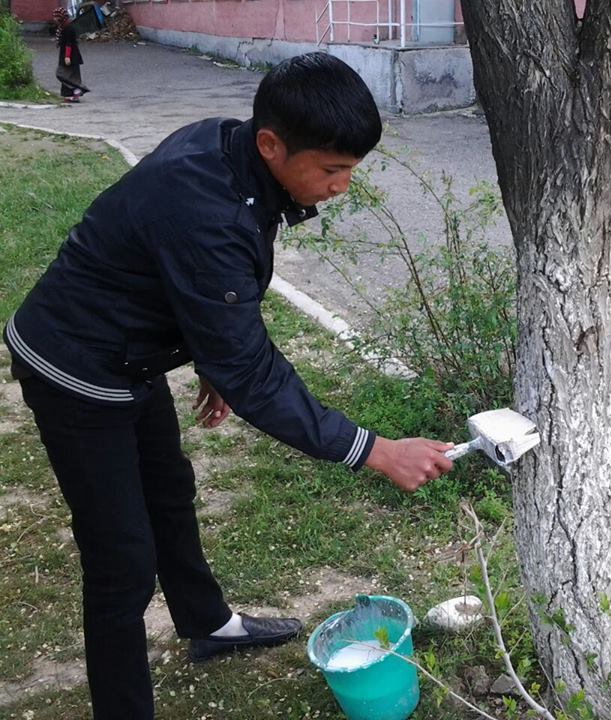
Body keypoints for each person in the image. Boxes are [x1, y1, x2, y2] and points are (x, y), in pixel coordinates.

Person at [3, 53, 453, 719]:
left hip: (127, 356)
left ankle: (207, 623)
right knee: (122, 562)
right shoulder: (208, 208)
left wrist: (211, 358)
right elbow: (252, 371)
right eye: (332, 169)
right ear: (272, 144)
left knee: (170, 491)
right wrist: (375, 450)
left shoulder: (231, 151)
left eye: (350, 169)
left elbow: (202, 288)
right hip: (76, 369)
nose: (341, 187)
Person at [53, 7, 90, 103]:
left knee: (62, 74)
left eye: (56, 17)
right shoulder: (62, 27)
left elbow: (69, 43)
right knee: (70, 76)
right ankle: (70, 95)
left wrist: (67, 56)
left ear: (61, 17)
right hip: (68, 56)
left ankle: (77, 90)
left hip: (71, 56)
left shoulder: (68, 28)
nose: (54, 19)